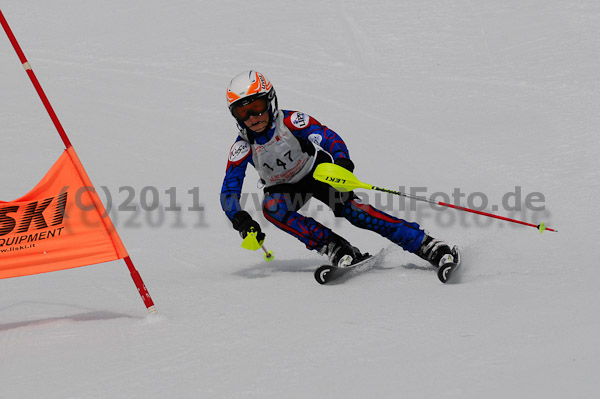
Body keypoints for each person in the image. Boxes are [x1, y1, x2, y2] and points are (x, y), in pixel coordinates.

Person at [220, 70, 457, 269]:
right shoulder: (243, 147)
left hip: (317, 172)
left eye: (258, 107)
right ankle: (334, 246)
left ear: (271, 101)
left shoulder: (291, 122)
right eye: (243, 112)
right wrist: (240, 219)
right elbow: (229, 191)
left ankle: (424, 243)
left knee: (357, 212)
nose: (252, 117)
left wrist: (342, 163)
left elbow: (327, 137)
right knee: (272, 208)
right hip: (284, 189)